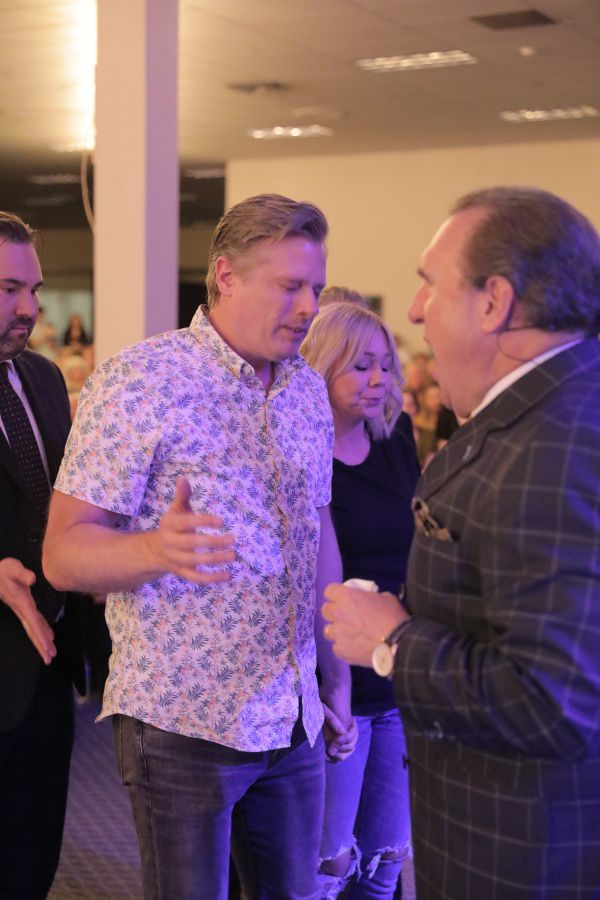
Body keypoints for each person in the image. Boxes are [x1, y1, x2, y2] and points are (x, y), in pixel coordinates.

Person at [43, 193, 355, 900]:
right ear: (225, 276)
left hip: (292, 712)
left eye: (315, 286)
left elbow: (318, 535)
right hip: (182, 718)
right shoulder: (141, 379)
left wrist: (332, 675)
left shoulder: (307, 390)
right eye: (290, 286)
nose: (309, 307)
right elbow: (63, 554)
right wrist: (156, 550)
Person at [321, 186, 600, 899]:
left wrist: (393, 639)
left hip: (528, 854)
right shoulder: (540, 415)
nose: (416, 311)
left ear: (493, 302)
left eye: (430, 284)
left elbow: (553, 699)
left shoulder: (554, 443)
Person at [300, 302, 419, 898]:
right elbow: (316, 581)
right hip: (334, 680)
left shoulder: (396, 440)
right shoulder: (304, 451)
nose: (378, 379)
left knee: (386, 863)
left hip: (396, 673)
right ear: (323, 367)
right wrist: (334, 688)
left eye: (385, 365)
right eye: (361, 366)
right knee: (327, 867)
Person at [0, 211, 84, 899]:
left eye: (33, 289)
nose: (29, 308)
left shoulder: (46, 379)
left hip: (47, 663)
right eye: (8, 290)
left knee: (31, 861)